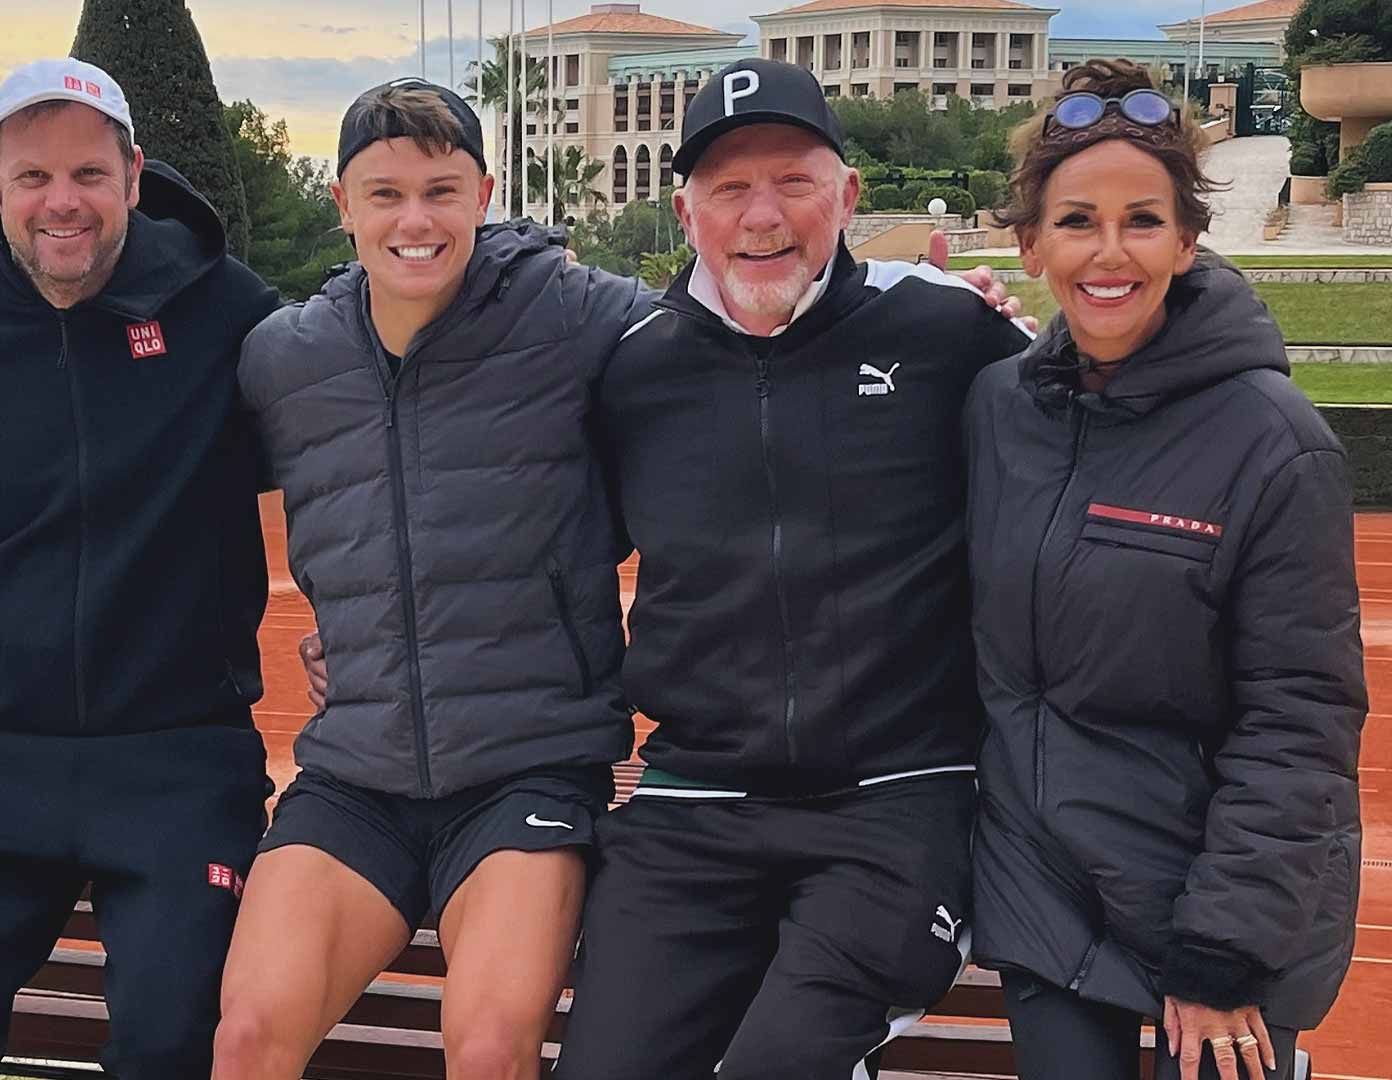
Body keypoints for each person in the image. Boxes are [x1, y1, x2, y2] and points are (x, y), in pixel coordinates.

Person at [548, 58, 1035, 1079]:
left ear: (848, 197)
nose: (760, 215)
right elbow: (543, 548)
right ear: (686, 213)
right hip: (696, 802)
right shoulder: (634, 367)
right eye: (728, 187)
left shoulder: (951, 334)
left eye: (793, 181)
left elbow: (1090, 450)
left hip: (899, 797)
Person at [210, 79, 651, 1080]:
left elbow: (727, 338)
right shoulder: (285, 359)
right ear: (342, 203)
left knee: (490, 1048)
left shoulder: (574, 315)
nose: (415, 220)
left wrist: (917, 305)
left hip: (526, 771)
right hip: (356, 773)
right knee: (245, 1038)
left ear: (484, 192)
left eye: (442, 191)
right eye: (385, 193)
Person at [0, 58, 282, 1080]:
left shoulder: (230, 313)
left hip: (184, 763)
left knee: (165, 1042)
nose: (62, 202)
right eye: (33, 177)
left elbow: (345, 453)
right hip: (5, 757)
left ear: (134, 176)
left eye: (89, 174)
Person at [964, 59, 1365, 1080]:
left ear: (1189, 241)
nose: (1110, 252)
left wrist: (1226, 948)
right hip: (1045, 890)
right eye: (1076, 221)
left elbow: (1299, 719)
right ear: (1029, 244)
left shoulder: (1278, 442)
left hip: (1224, 899)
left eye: (1142, 220)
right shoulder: (997, 410)